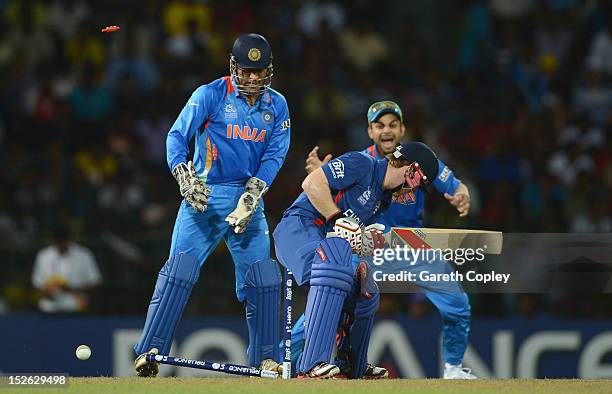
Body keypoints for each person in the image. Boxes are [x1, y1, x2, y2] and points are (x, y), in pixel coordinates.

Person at [134, 33, 291, 377]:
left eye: (259, 71)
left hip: (247, 199)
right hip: (203, 196)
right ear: (234, 66)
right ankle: (151, 351)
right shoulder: (210, 94)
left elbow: (276, 153)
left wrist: (254, 193)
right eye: (247, 70)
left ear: (269, 70)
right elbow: (176, 136)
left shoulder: (277, 105)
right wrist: (183, 178)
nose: (252, 78)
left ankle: (266, 359)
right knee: (179, 271)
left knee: (263, 279)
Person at [300, 100, 476, 379]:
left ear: (402, 129)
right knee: (328, 299)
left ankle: (453, 369)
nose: (387, 131)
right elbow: (324, 188)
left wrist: (461, 194)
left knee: (458, 304)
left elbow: (455, 184)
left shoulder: (420, 161)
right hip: (369, 247)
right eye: (379, 125)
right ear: (370, 131)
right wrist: (319, 172)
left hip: (413, 248)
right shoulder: (361, 162)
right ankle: (290, 358)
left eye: (393, 125)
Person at [273, 141, 440, 378]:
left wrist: (364, 241)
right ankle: (312, 364)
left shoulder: (383, 200)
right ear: (410, 168)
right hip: (298, 227)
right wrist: (337, 217)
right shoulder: (362, 164)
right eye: (418, 182)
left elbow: (348, 236)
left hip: (325, 243)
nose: (413, 191)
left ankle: (351, 365)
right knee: (334, 269)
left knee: (364, 288)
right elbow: (311, 183)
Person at [31, 221, 102, 313]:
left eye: (62, 239)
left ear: (68, 238)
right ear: (53, 239)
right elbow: (37, 285)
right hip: (49, 310)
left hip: (76, 309)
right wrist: (46, 292)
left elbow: (95, 284)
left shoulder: (83, 255)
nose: (60, 243)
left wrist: (71, 289)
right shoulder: (44, 256)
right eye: (57, 240)